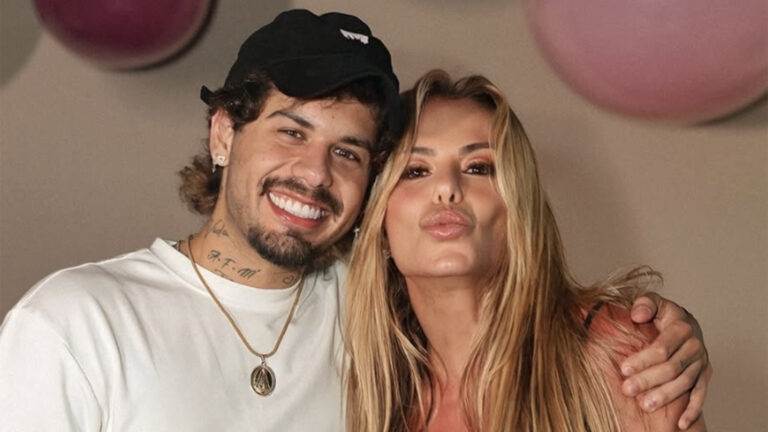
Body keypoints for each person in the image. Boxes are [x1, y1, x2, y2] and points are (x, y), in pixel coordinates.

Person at [0, 9, 708, 432]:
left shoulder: (370, 315)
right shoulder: (76, 323)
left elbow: (510, 308)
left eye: (348, 151)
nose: (314, 173)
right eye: (291, 131)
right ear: (223, 134)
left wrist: (656, 332)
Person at [343, 70, 708, 431]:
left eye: (478, 167)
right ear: (379, 221)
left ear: (518, 207)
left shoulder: (615, 351)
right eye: (416, 171)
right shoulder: (382, 404)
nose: (448, 188)